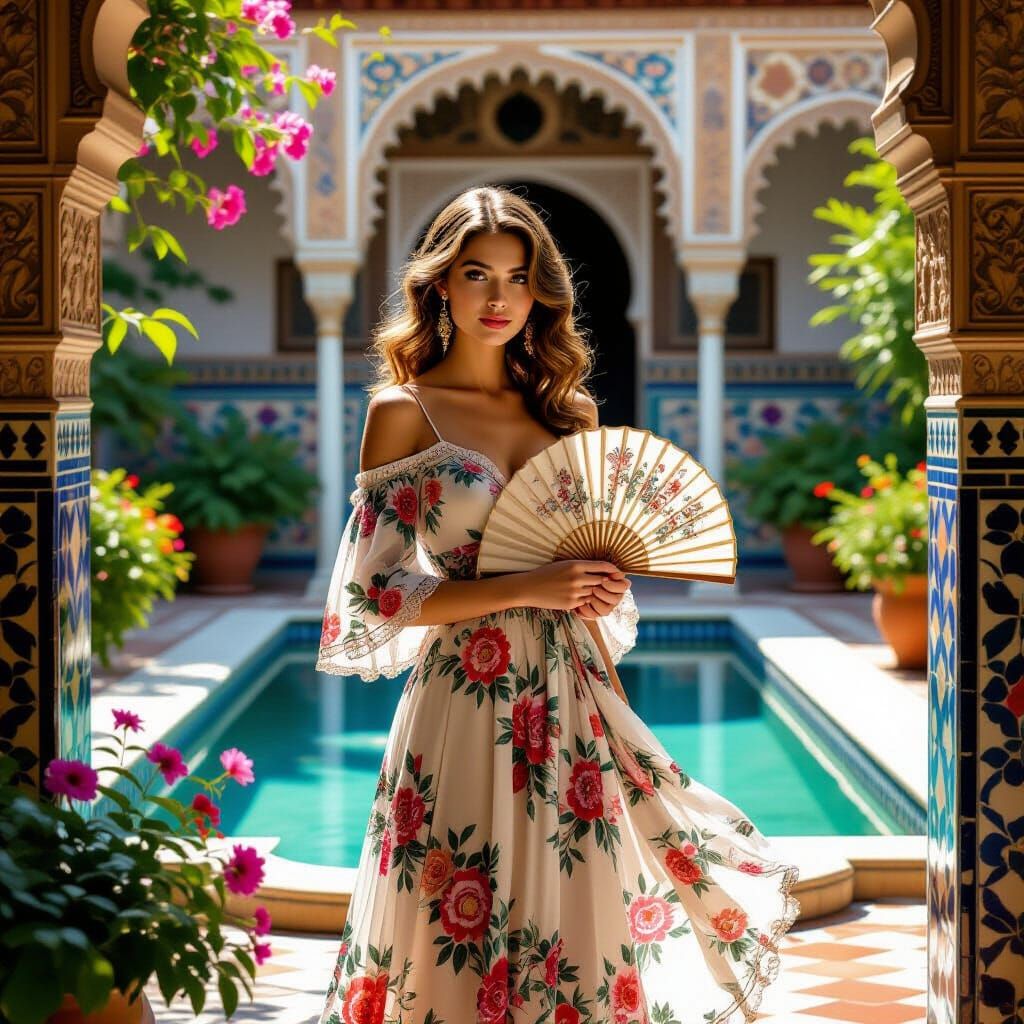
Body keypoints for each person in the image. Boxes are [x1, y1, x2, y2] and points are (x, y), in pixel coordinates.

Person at [315, 185, 799, 1024]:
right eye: (476, 275)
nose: (499, 298)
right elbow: (377, 595)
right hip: (460, 701)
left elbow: (586, 575)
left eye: (518, 277)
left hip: (568, 695)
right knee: (451, 908)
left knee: (572, 904)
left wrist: (599, 586)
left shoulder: (568, 414)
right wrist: (531, 587)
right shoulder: (404, 413)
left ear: (541, 292)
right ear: (440, 287)